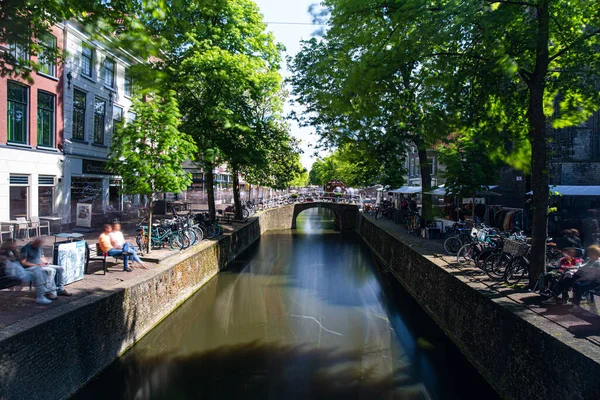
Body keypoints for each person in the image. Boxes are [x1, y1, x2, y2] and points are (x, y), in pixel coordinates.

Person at [1, 240, 52, 304]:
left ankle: (43, 289)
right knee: (35, 274)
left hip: (17, 270)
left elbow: (18, 261)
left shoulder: (13, 252)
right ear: (9, 245)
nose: (16, 245)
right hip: (11, 273)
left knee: (36, 270)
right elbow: (7, 263)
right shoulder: (3, 253)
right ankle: (41, 294)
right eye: (14, 244)